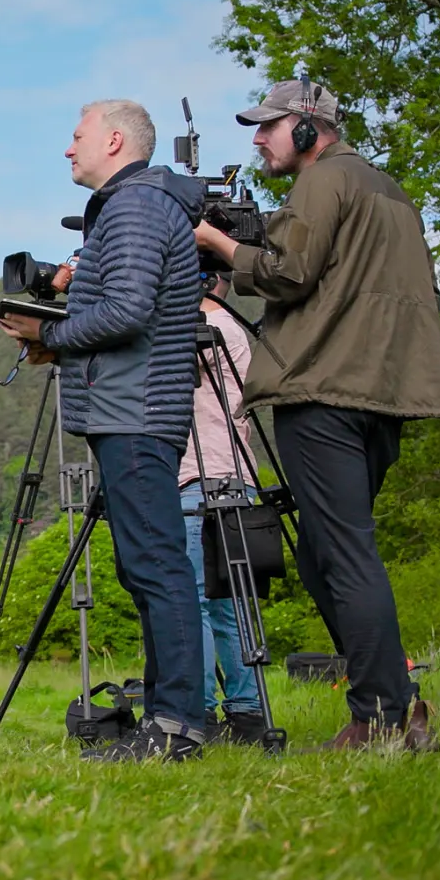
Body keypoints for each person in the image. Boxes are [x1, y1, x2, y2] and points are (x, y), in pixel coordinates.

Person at [194, 77, 440, 751]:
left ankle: (384, 718)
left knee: (344, 551)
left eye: (268, 126)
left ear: (307, 130)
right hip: (381, 393)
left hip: (326, 393)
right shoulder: (390, 192)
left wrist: (214, 242)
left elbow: (289, 272)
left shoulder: (322, 181)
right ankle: (392, 703)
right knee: (318, 558)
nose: (257, 140)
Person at [0, 99, 208, 762]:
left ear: (115, 140)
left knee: (156, 564)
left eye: (77, 135)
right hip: (128, 408)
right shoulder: (132, 205)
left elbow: (127, 310)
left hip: (137, 411)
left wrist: (52, 332)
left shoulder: (137, 206)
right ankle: (165, 719)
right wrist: (55, 345)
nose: (69, 148)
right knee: (144, 564)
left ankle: (176, 728)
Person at [179, 273, 268, 745]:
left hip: (199, 474)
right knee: (230, 604)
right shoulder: (232, 327)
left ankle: (199, 713)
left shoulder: (207, 329)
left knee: (192, 601)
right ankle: (248, 713)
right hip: (234, 475)